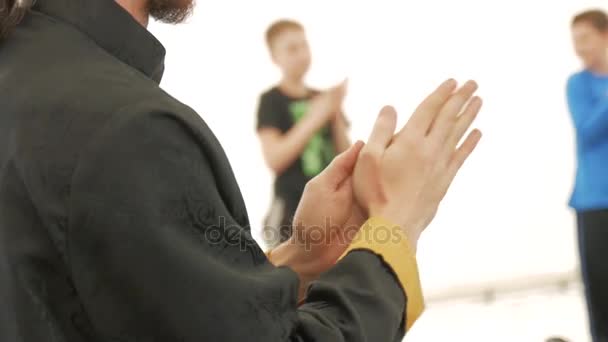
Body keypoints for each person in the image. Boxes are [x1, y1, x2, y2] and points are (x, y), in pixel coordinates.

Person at [0, 0, 482, 341]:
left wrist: (305, 254)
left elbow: (140, 305)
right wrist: (395, 225)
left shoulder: (24, 78)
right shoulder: (129, 128)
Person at [256, 19, 351, 249]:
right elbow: (275, 159)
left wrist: (335, 112)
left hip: (331, 208)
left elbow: (347, 156)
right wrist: (316, 116)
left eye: (304, 45)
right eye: (292, 48)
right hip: (291, 211)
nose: (302, 54)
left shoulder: (323, 98)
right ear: (274, 57)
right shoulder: (271, 100)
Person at [567, 9, 608, 342]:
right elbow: (588, 130)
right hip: (594, 201)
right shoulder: (577, 85)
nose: (579, 47)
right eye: (574, 41)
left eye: (585, 39)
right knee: (600, 290)